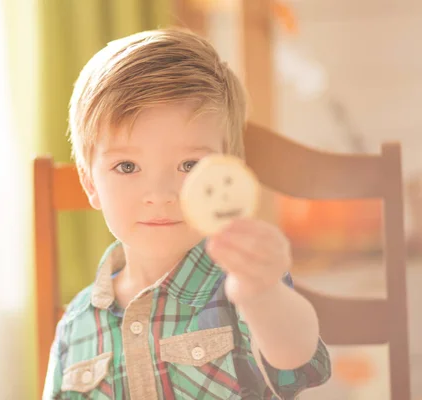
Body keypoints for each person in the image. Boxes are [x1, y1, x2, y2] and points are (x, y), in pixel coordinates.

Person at [42, 28, 331, 399]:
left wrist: (262, 293)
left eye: (189, 165)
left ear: (231, 168)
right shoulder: (75, 325)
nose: (160, 195)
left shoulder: (242, 283)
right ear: (90, 184)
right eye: (127, 166)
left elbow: (296, 360)